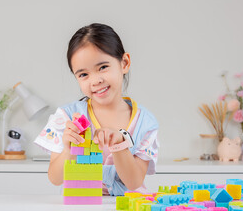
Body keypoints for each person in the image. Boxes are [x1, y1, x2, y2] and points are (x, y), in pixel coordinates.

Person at [34, 23, 159, 196]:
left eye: (103, 67)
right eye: (83, 74)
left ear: (124, 63)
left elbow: (134, 182)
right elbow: (55, 178)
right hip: (82, 204)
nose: (95, 80)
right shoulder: (67, 117)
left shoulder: (145, 122)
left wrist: (119, 146)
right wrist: (69, 151)